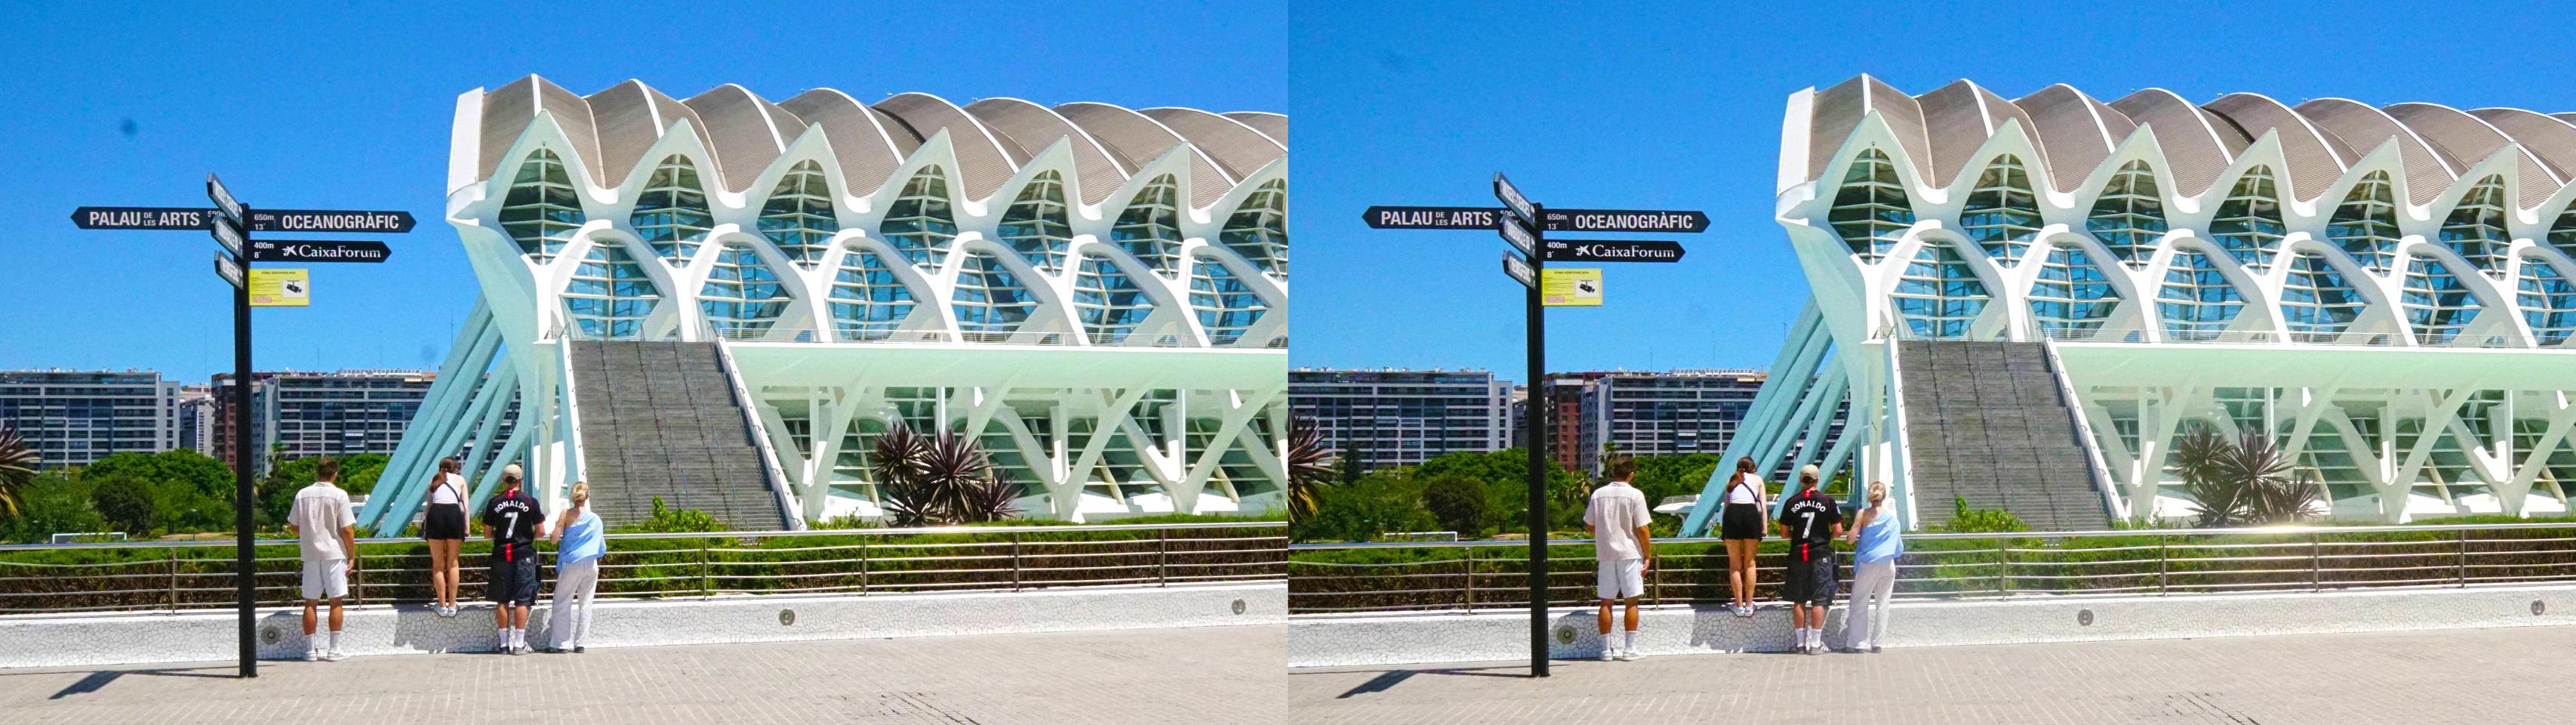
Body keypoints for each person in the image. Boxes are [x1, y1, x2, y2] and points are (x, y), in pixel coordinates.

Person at [1582, 457, 1654, 662]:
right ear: (1631, 474)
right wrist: (1647, 555)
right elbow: (1643, 528)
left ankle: (1606, 650)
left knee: (1606, 602)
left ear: (1613, 473)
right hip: (1630, 553)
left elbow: (1589, 525)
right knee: (1631, 601)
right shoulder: (1635, 495)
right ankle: (1629, 649)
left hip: (1605, 553)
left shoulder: (1599, 494)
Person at [288, 456, 357, 662]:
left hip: (310, 553)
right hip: (334, 553)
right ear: (335, 474)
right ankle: (333, 650)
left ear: (317, 473)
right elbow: (347, 528)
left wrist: (307, 534)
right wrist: (351, 555)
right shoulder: (339, 495)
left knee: (311, 602)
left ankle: (310, 651)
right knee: (335, 601)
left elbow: (293, 526)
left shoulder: (303, 494)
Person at [1775, 464, 1842, 655]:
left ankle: (1800, 644)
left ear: (1800, 480)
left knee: (1799, 600)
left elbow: (1784, 533)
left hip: (1798, 555)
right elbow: (1838, 531)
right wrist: (1825, 538)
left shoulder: (1790, 502)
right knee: (1819, 600)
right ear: (1817, 479)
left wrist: (1798, 538)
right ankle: (1816, 644)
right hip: (1820, 555)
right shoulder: (1828, 501)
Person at [481, 464, 546, 655]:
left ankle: (502, 644)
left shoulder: (494, 502)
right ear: (520, 480)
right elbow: (541, 532)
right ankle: (519, 644)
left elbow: (486, 533)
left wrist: (501, 537)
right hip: (523, 555)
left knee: (501, 600)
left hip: (501, 555)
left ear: (504, 480)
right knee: (522, 601)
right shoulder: (530, 501)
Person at [1842, 480, 1904, 653]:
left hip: (1869, 563)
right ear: (1884, 497)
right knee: (1883, 603)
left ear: (1870, 496)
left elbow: (1850, 540)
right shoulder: (1892, 518)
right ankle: (1877, 643)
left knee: (1859, 603)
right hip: (1888, 563)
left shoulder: (1863, 513)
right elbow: (1899, 547)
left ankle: (1857, 643)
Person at [544, 481, 605, 654]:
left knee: (562, 602)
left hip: (572, 563)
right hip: (591, 564)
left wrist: (559, 526)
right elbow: (602, 547)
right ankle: (580, 644)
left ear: (573, 496)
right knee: (586, 604)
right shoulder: (596, 519)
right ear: (587, 496)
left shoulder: (566, 514)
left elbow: (554, 539)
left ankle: (561, 643)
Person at [1716, 456, 1767, 618]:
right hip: (1751, 515)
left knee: (1735, 565)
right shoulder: (1758, 480)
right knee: (1750, 563)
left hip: (1733, 516)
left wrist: (1724, 527)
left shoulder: (1732, 480)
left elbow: (1726, 506)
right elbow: (1763, 506)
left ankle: (1738, 605)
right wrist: (1764, 528)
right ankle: (1750, 605)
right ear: (1754, 469)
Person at [421, 456, 468, 618]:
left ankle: (441, 605)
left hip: (436, 515)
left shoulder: (434, 480)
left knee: (438, 565)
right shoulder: (460, 479)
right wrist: (466, 528)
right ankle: (453, 605)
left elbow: (428, 508)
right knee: (453, 564)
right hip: (454, 515)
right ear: (456, 469)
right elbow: (466, 507)